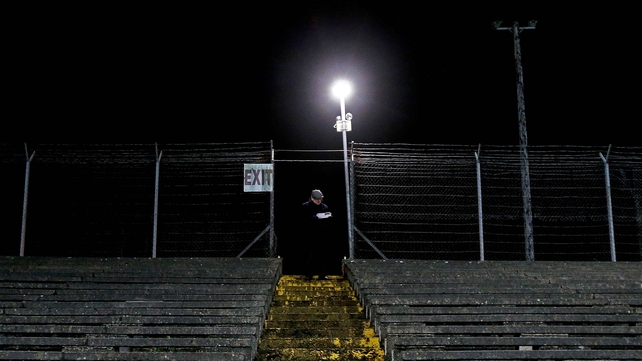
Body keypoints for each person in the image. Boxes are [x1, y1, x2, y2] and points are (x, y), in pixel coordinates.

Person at [300, 189, 332, 280]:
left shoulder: (324, 207)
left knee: (323, 254)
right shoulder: (305, 206)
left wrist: (327, 217)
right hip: (309, 234)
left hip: (322, 234)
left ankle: (322, 274)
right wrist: (315, 218)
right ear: (312, 198)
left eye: (320, 199)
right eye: (317, 199)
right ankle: (309, 274)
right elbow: (303, 220)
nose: (319, 201)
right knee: (310, 254)